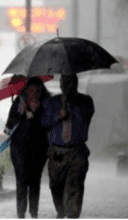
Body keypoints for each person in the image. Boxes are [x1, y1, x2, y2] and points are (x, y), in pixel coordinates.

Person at [41, 74, 95, 218]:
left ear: (76, 84)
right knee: (55, 186)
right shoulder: (53, 102)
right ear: (60, 85)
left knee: (75, 187)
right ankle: (61, 211)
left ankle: (72, 215)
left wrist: (71, 107)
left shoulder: (85, 101)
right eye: (64, 83)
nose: (67, 87)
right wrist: (58, 116)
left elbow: (85, 117)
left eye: (70, 83)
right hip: (57, 151)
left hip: (76, 150)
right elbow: (44, 122)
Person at [4, 77, 51, 219]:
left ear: (42, 90)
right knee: (22, 180)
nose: (35, 93)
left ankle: (34, 213)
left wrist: (35, 117)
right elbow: (7, 129)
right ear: (26, 90)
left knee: (35, 181)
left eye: (38, 90)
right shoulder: (19, 102)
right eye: (31, 90)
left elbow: (50, 124)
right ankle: (21, 213)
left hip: (39, 148)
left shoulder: (46, 105)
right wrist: (19, 113)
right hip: (19, 148)